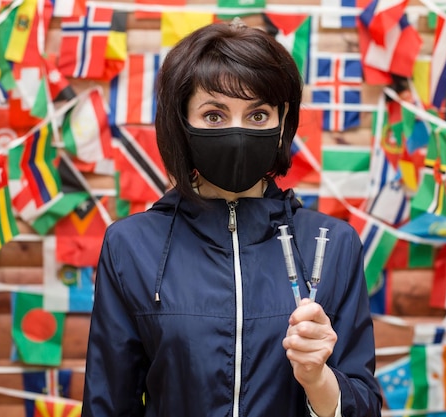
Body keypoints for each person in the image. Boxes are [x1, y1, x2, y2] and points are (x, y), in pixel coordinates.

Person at [82, 20, 382, 417]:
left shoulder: (333, 244)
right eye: (214, 115)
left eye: (257, 115)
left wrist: (318, 380)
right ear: (182, 123)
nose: (237, 132)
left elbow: (364, 406)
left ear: (281, 124)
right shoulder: (131, 246)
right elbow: (108, 405)